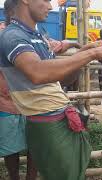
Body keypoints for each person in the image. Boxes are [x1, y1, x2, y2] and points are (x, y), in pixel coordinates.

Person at [0, 0, 102, 180]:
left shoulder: (37, 35)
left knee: (71, 170)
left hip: (58, 116)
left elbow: (61, 76)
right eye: (46, 0)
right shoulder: (12, 36)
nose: (50, 6)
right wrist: (91, 53)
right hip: (47, 121)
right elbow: (37, 72)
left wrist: (85, 54)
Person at [0, 1, 37, 179]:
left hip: (31, 101)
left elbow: (52, 46)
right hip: (7, 102)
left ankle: (29, 177)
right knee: (10, 148)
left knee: (35, 145)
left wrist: (77, 46)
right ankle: (14, 177)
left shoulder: (30, 34)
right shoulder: (5, 35)